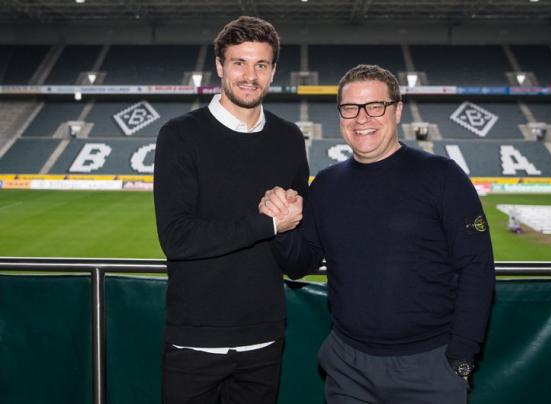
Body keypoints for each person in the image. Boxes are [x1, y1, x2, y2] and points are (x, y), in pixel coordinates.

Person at [260, 64, 495, 403]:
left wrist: (461, 358)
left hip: (429, 366)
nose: (361, 118)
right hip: (347, 366)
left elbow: (477, 267)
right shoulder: (326, 185)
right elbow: (299, 263)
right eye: (350, 108)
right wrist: (279, 226)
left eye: (375, 106)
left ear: (397, 110)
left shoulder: (442, 176)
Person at [153, 16, 308, 404]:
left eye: (261, 64)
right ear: (220, 66)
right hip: (195, 341)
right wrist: (267, 223)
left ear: (273, 71)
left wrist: (295, 220)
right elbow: (177, 238)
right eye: (239, 62)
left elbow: (297, 253)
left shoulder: (289, 138)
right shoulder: (179, 135)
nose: (250, 75)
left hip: (265, 337)